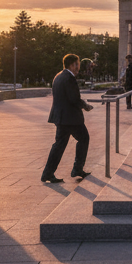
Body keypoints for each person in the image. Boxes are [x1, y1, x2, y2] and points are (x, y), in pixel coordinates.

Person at [41, 53, 94, 183]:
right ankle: (77, 169)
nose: (79, 68)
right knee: (84, 138)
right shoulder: (69, 78)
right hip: (71, 118)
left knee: (59, 145)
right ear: (72, 65)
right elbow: (73, 99)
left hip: (61, 117)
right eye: (78, 65)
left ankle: (47, 173)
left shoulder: (58, 76)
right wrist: (85, 105)